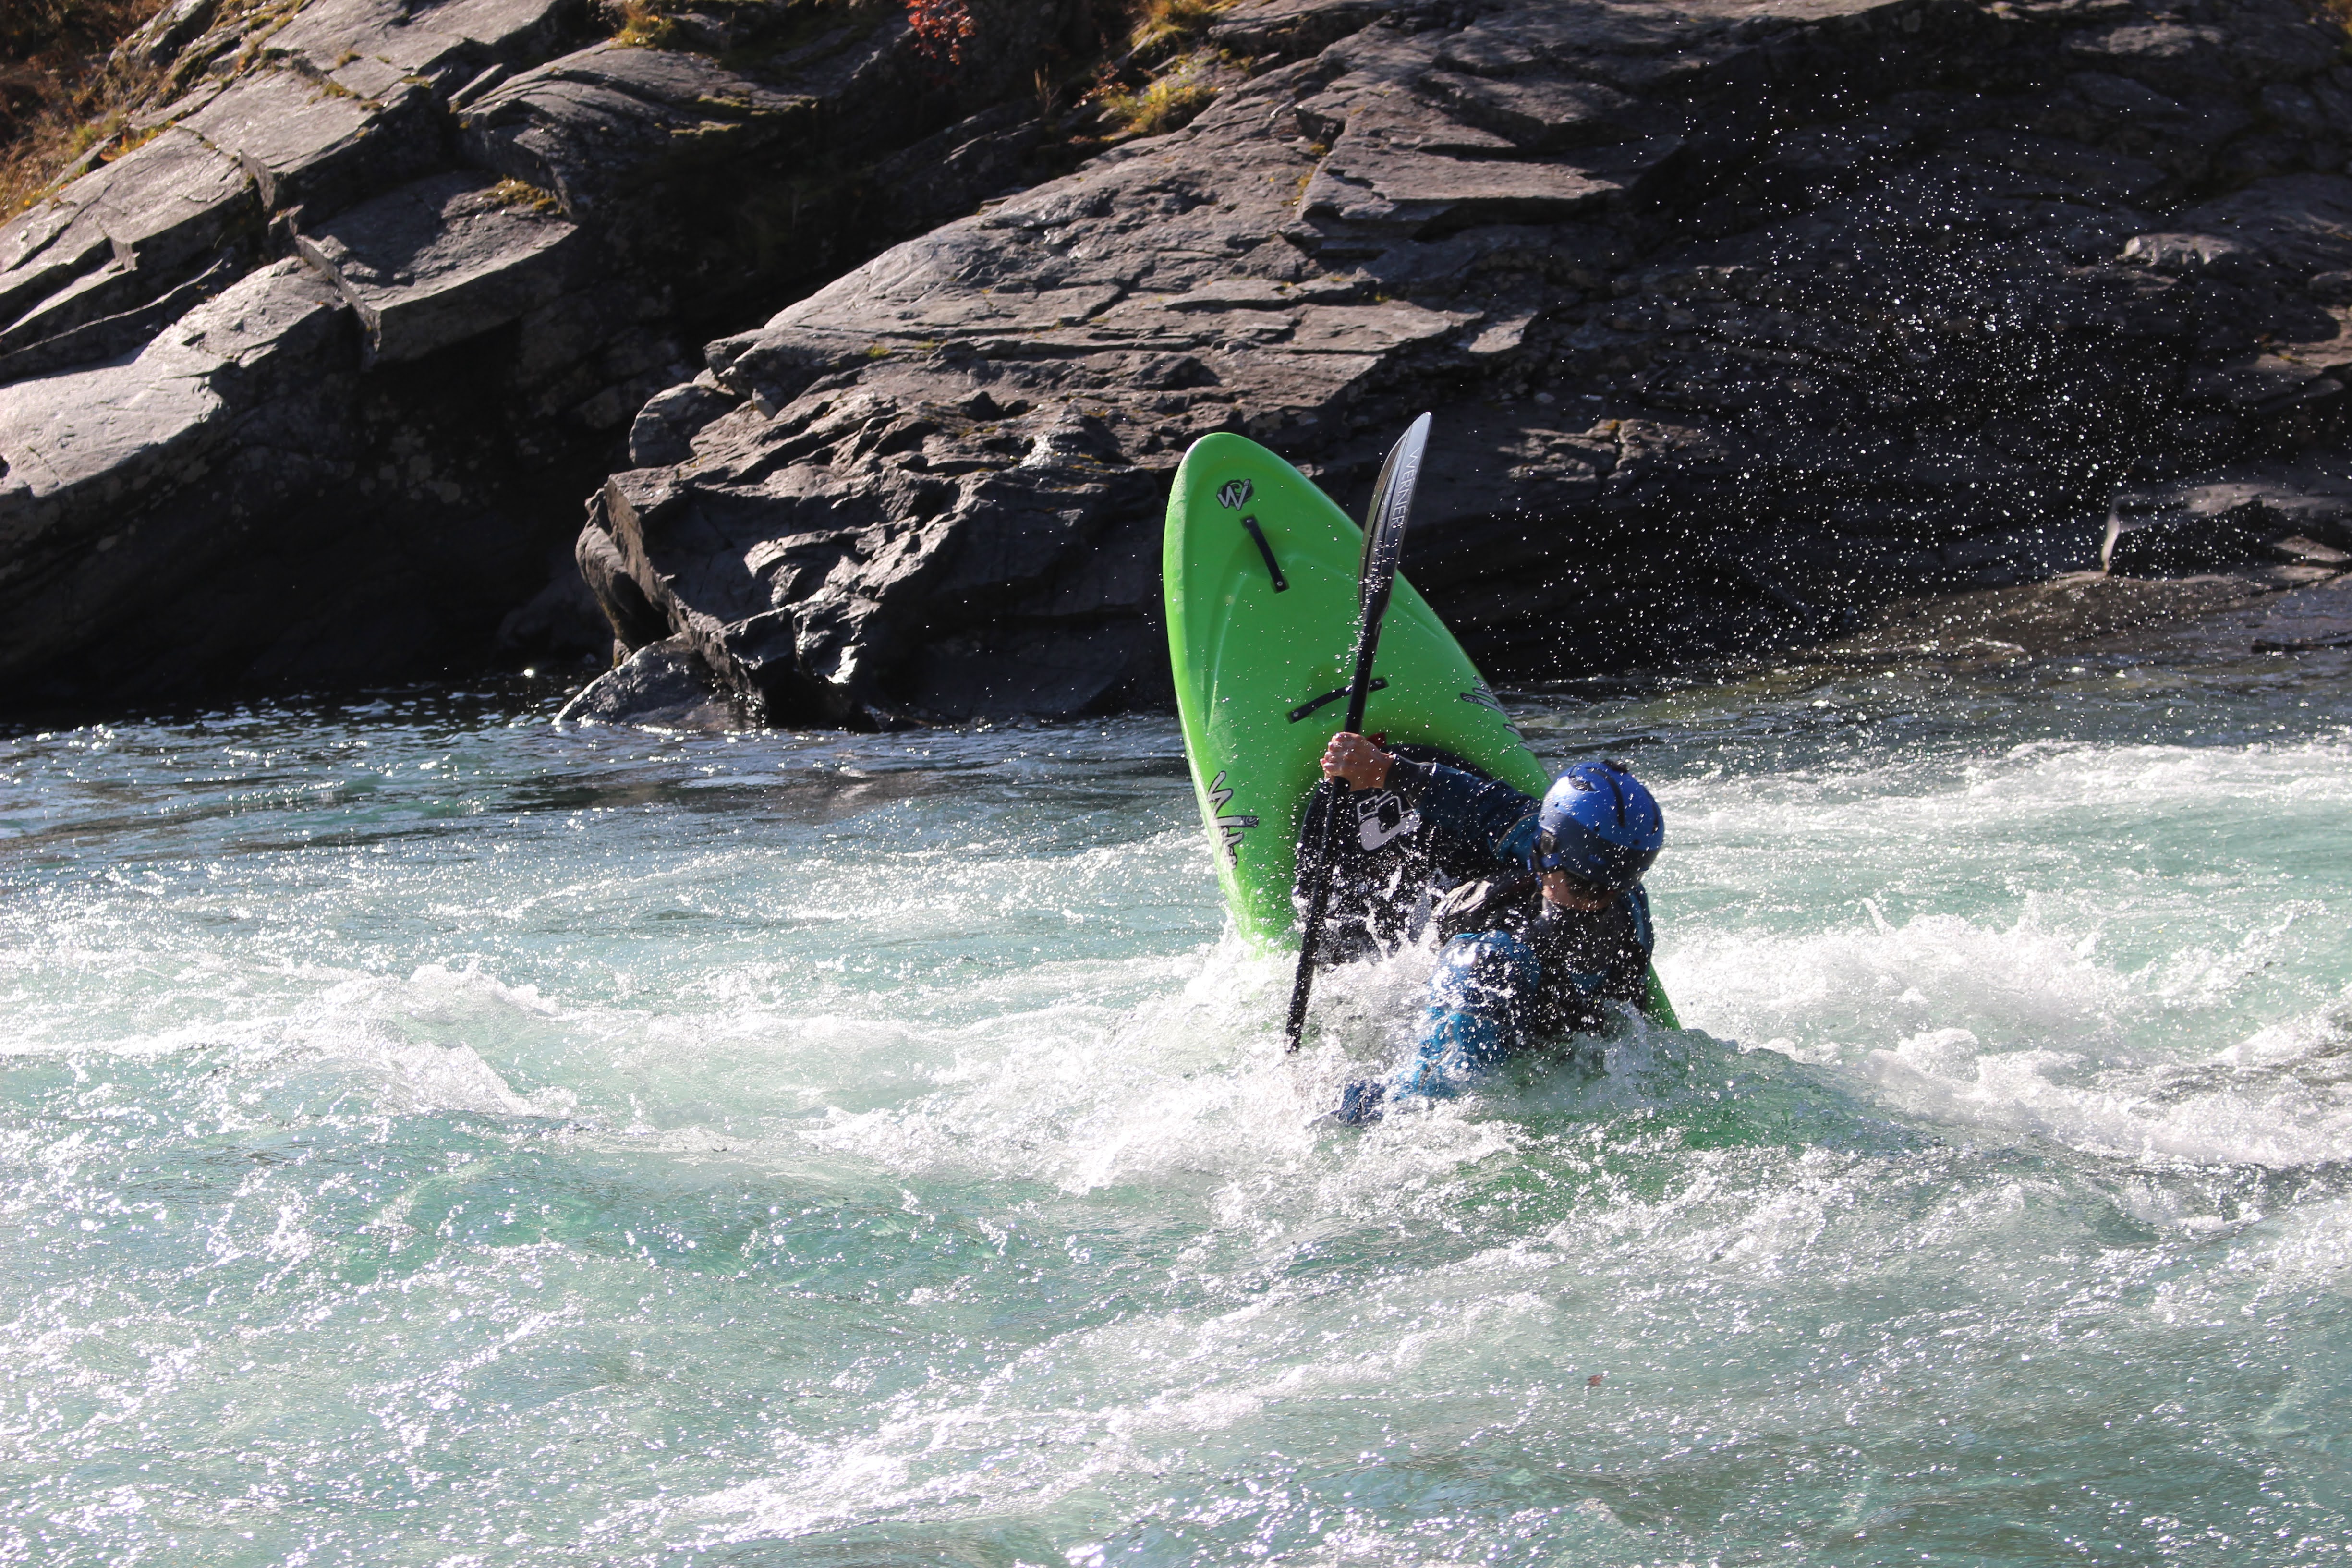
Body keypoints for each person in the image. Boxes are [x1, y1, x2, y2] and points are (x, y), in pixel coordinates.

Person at [1316, 732, 1664, 1124]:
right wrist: (1393, 771)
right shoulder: (1631, 900)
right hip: (1584, 1052)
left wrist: (1332, 1108)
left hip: (1505, 1050)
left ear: (1546, 848)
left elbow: (1421, 1098)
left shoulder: (1488, 962)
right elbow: (1488, 807)